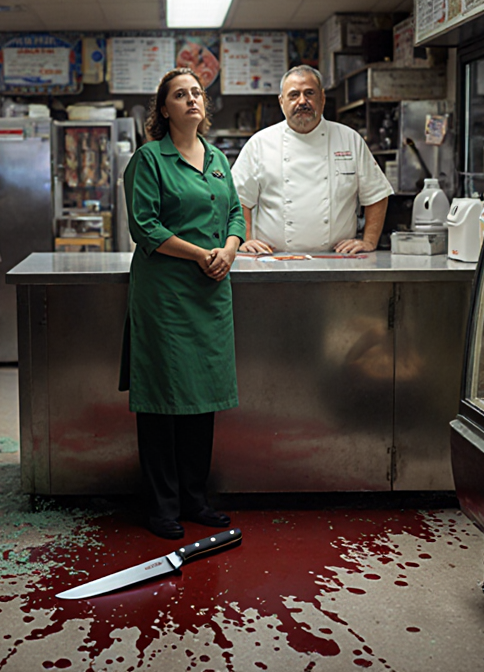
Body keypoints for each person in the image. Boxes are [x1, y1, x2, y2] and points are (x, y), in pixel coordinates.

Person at [119, 68, 245, 540]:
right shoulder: (150, 160)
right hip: (166, 297)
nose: (191, 99)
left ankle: (196, 499)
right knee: (162, 402)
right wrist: (201, 254)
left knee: (201, 402)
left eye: (196, 93)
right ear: (164, 109)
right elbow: (145, 227)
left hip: (211, 295)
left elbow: (234, 211)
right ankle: (162, 506)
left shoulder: (216, 158)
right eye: (180, 94)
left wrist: (229, 249)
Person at [233, 65, 393, 254]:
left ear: (322, 99)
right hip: (274, 259)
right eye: (294, 95)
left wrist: (369, 241)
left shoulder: (349, 139)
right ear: (281, 101)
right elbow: (238, 198)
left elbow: (376, 194)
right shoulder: (260, 143)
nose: (302, 101)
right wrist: (246, 239)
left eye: (309, 93)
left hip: (338, 259)